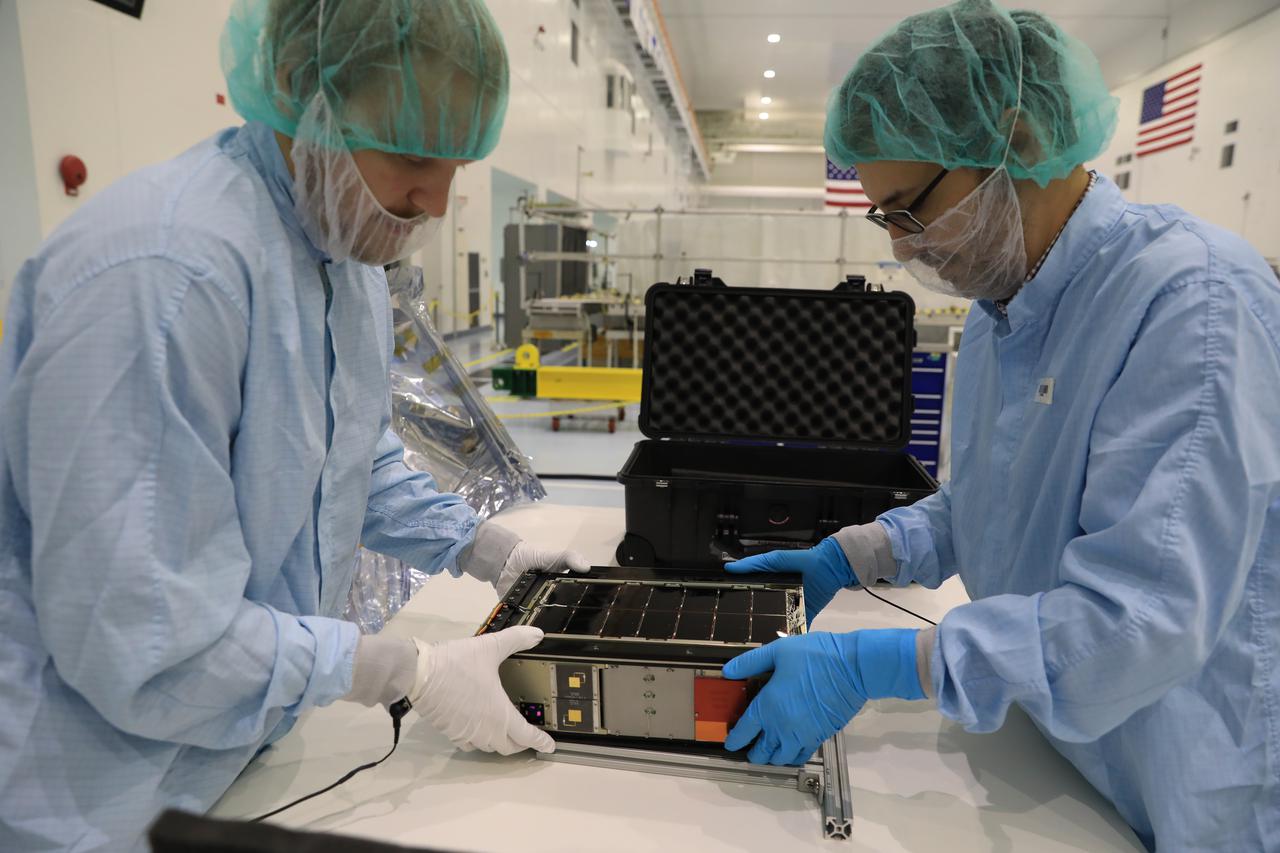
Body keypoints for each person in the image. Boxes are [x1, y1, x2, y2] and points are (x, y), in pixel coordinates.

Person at [0, 1, 587, 849]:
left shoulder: (344, 261)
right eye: (414, 155)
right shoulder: (165, 280)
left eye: (459, 163)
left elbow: (347, 453)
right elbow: (142, 632)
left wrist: (481, 546)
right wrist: (399, 668)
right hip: (89, 795)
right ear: (297, 92)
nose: (435, 199)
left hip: (234, 749)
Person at [721, 1, 1280, 850]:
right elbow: (988, 501)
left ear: (1015, 142)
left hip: (1184, 779)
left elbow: (1138, 623)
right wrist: (858, 552)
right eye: (886, 221)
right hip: (1051, 753)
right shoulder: (1001, 307)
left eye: (910, 209)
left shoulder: (1191, 303)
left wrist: (885, 663)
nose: (905, 250)